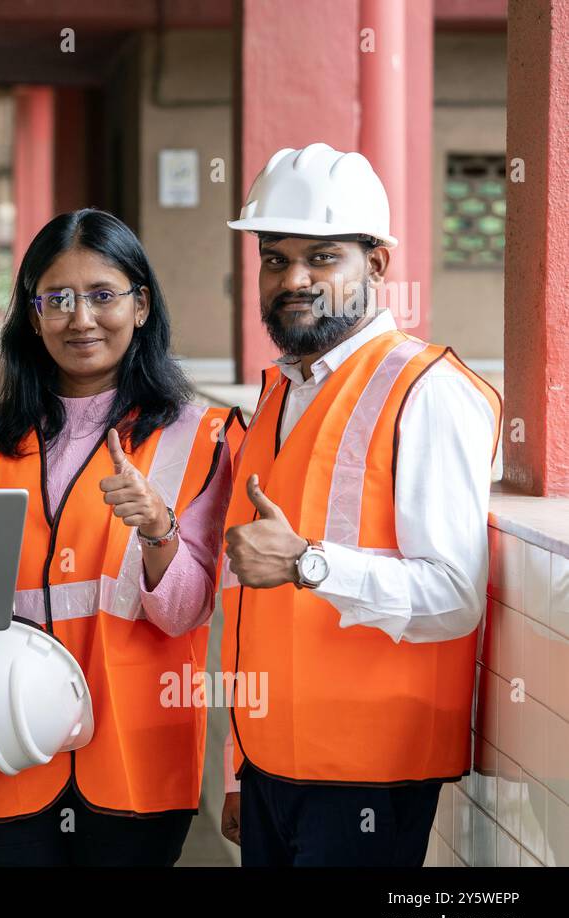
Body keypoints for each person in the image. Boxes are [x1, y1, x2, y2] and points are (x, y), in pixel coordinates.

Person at [0, 208, 243, 866]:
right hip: (0, 740)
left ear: (141, 304)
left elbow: (188, 610)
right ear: (32, 312)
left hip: (136, 756)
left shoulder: (202, 438)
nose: (81, 318)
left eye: (103, 295)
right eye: (59, 299)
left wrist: (159, 530)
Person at [218, 143, 502, 866]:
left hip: (368, 777)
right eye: (275, 259)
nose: (294, 278)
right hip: (272, 767)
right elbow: (255, 608)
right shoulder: (282, 390)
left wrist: (311, 564)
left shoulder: (427, 389)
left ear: (375, 266)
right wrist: (240, 766)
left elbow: (454, 596)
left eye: (322, 257)